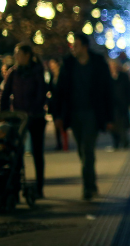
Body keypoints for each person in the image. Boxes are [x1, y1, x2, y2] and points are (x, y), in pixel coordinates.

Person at [52, 33, 114, 201]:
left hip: (92, 114)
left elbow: (108, 91)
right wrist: (57, 115)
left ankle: (88, 187)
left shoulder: (98, 63)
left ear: (85, 47)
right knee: (82, 149)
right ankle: (91, 182)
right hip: (74, 113)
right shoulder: (69, 64)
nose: (73, 49)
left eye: (76, 45)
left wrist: (109, 118)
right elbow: (60, 91)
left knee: (87, 149)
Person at [0, 43, 48, 198]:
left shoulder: (37, 71)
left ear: (27, 55)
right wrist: (5, 113)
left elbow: (41, 93)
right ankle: (15, 186)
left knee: (37, 152)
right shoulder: (13, 73)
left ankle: (39, 187)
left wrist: (33, 110)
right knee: (15, 152)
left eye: (19, 54)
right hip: (18, 118)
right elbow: (5, 95)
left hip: (35, 117)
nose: (16, 57)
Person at [109, 59, 130, 149]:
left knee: (122, 123)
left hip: (122, 104)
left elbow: (128, 90)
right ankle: (116, 142)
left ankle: (125, 141)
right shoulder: (107, 76)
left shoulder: (123, 76)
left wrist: (129, 102)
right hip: (111, 105)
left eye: (114, 65)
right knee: (113, 124)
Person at [47, 57, 68, 151]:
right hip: (54, 104)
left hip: (62, 103)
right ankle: (59, 143)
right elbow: (49, 88)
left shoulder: (62, 75)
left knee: (63, 123)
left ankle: (65, 144)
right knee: (56, 124)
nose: (51, 66)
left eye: (53, 64)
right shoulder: (52, 76)